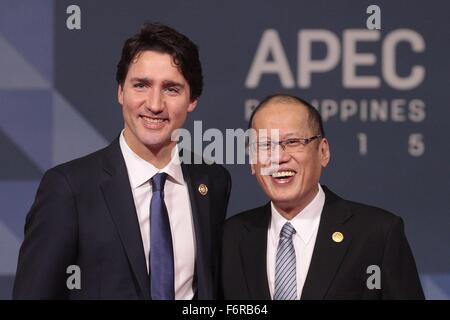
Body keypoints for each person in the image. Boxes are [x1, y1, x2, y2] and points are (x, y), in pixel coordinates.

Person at [13, 22, 231, 300]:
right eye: (141, 85)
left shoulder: (212, 182)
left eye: (171, 89)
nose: (154, 104)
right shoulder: (69, 188)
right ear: (120, 92)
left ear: (193, 100)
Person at [221, 94, 424, 300]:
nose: (279, 157)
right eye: (265, 145)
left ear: (323, 152)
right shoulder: (228, 239)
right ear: (252, 161)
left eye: (293, 142)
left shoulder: (377, 235)